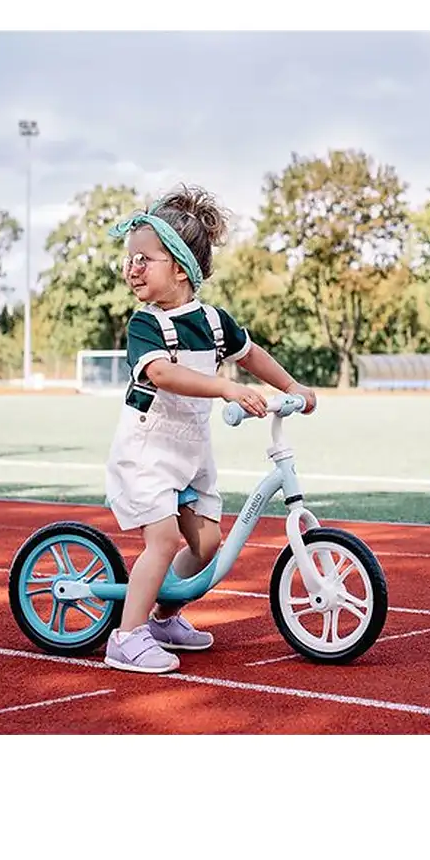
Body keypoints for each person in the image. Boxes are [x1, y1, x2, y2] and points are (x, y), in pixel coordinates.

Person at [102, 183, 317, 674]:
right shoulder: (145, 325)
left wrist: (292, 386)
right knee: (163, 542)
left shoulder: (214, 323)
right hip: (148, 450)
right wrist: (224, 388)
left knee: (206, 545)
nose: (132, 268)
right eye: (130, 259)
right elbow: (162, 374)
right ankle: (126, 636)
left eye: (144, 259)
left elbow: (251, 354)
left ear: (180, 268)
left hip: (192, 450)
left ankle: (163, 617)